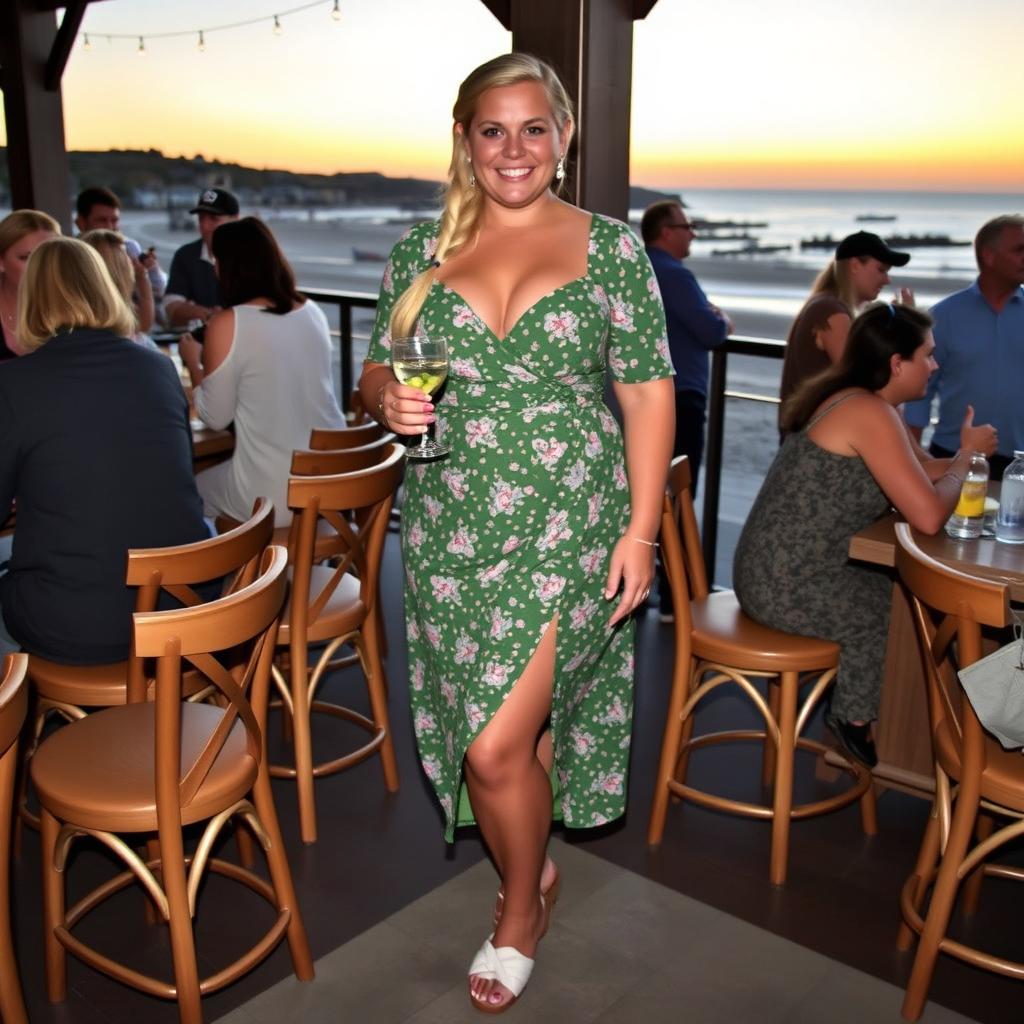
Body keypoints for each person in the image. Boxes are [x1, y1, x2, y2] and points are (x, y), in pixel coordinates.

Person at [358, 53, 674, 1013]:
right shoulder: (421, 248)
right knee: (511, 732)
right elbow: (377, 371)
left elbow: (648, 389)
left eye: (533, 128)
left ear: (564, 137)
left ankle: (520, 910)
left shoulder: (611, 249)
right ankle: (531, 867)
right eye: (492, 130)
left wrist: (644, 531)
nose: (513, 149)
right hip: (452, 526)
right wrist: (389, 403)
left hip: (570, 522)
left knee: (492, 749)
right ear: (464, 139)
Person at [734, 303, 975, 769]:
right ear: (896, 364)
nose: (935, 364)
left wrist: (965, 461)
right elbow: (927, 515)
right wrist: (966, 461)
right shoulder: (869, 412)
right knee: (899, 608)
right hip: (783, 584)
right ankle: (855, 720)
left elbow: (921, 474)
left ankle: (884, 721)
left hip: (773, 569)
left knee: (904, 600)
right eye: (927, 355)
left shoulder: (861, 401)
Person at [0, 237, 208, 663]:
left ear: (31, 300)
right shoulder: (159, 367)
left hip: (87, 628)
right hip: (188, 608)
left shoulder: (15, 384)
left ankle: (24, 722)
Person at [179, 217, 346, 529]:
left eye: (216, 260)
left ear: (229, 266)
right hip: (331, 485)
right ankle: (273, 570)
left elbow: (214, 416)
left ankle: (242, 576)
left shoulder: (228, 322)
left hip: (274, 496)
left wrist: (194, 363)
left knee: (188, 494)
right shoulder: (311, 310)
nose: (214, 269)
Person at [904, 214, 1024, 480]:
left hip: (1019, 467)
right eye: (1019, 250)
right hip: (951, 458)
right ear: (989, 256)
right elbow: (919, 394)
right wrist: (912, 464)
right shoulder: (943, 316)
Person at [640, 200, 731, 487]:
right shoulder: (674, 275)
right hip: (681, 396)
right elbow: (711, 331)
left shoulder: (640, 267)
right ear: (667, 232)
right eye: (687, 227)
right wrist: (724, 319)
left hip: (646, 393)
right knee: (679, 492)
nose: (693, 233)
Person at [778, 231, 911, 424]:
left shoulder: (827, 305)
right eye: (881, 270)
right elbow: (865, 381)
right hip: (815, 440)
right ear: (855, 265)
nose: (887, 280)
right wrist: (906, 326)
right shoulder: (831, 312)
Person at [75, 186, 167, 317]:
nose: (110, 227)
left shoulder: (128, 247)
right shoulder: (71, 255)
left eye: (114, 220)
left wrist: (151, 270)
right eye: (102, 220)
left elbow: (159, 291)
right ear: (81, 223)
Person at [164, 187, 240, 327]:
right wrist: (211, 315)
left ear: (235, 220)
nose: (204, 226)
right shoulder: (185, 256)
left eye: (214, 219)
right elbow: (171, 308)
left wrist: (193, 310)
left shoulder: (252, 258)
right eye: (201, 218)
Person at [0, 209, 60, 360]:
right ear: (1, 262)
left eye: (48, 258)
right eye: (27, 258)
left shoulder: (74, 312)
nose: (40, 268)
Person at [80, 228, 156, 343]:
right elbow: (143, 326)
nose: (132, 262)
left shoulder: (80, 302)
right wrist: (143, 279)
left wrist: (142, 278)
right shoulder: (111, 312)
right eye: (127, 258)